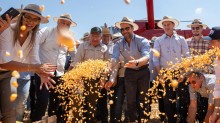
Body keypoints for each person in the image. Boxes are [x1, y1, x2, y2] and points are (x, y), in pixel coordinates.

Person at [0, 4, 56, 123]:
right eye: (27, 17)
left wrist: (42, 73)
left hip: (8, 75)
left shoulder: (33, 37)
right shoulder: (8, 30)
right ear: (21, 16)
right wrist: (36, 68)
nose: (30, 22)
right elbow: (4, 63)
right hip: (4, 69)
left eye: (35, 19)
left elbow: (35, 60)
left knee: (9, 114)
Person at [30, 13, 77, 122]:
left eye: (67, 24)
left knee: (56, 102)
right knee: (42, 101)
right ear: (57, 22)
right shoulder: (47, 31)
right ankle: (38, 121)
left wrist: (72, 68)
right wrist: (39, 67)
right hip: (43, 73)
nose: (65, 25)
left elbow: (75, 54)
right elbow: (34, 43)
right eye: (63, 22)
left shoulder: (70, 37)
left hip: (60, 74)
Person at [111, 17, 151, 122]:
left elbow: (147, 56)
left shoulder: (142, 40)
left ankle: (144, 120)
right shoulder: (118, 44)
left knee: (143, 99)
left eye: (127, 28)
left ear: (132, 28)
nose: (124, 31)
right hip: (129, 73)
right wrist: (109, 66)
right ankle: (133, 120)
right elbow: (114, 58)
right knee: (130, 100)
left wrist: (137, 62)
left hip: (143, 71)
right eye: (122, 29)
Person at [153, 16, 190, 123]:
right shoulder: (159, 40)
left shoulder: (181, 39)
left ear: (173, 25)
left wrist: (183, 73)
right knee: (168, 100)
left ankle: (183, 120)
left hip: (180, 72)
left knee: (183, 99)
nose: (166, 27)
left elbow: (187, 57)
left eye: (168, 24)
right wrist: (160, 74)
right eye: (164, 25)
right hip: (165, 73)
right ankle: (172, 121)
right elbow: (155, 58)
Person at [70, 27, 110, 122]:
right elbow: (77, 62)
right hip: (84, 78)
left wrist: (104, 78)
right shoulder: (83, 46)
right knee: (83, 102)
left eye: (97, 36)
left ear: (101, 37)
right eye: (93, 36)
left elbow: (107, 64)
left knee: (97, 103)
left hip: (98, 79)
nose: (95, 38)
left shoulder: (104, 48)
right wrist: (79, 78)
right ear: (90, 36)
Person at [207, 27, 220, 123]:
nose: (210, 45)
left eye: (212, 42)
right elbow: (218, 86)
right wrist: (216, 111)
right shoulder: (217, 60)